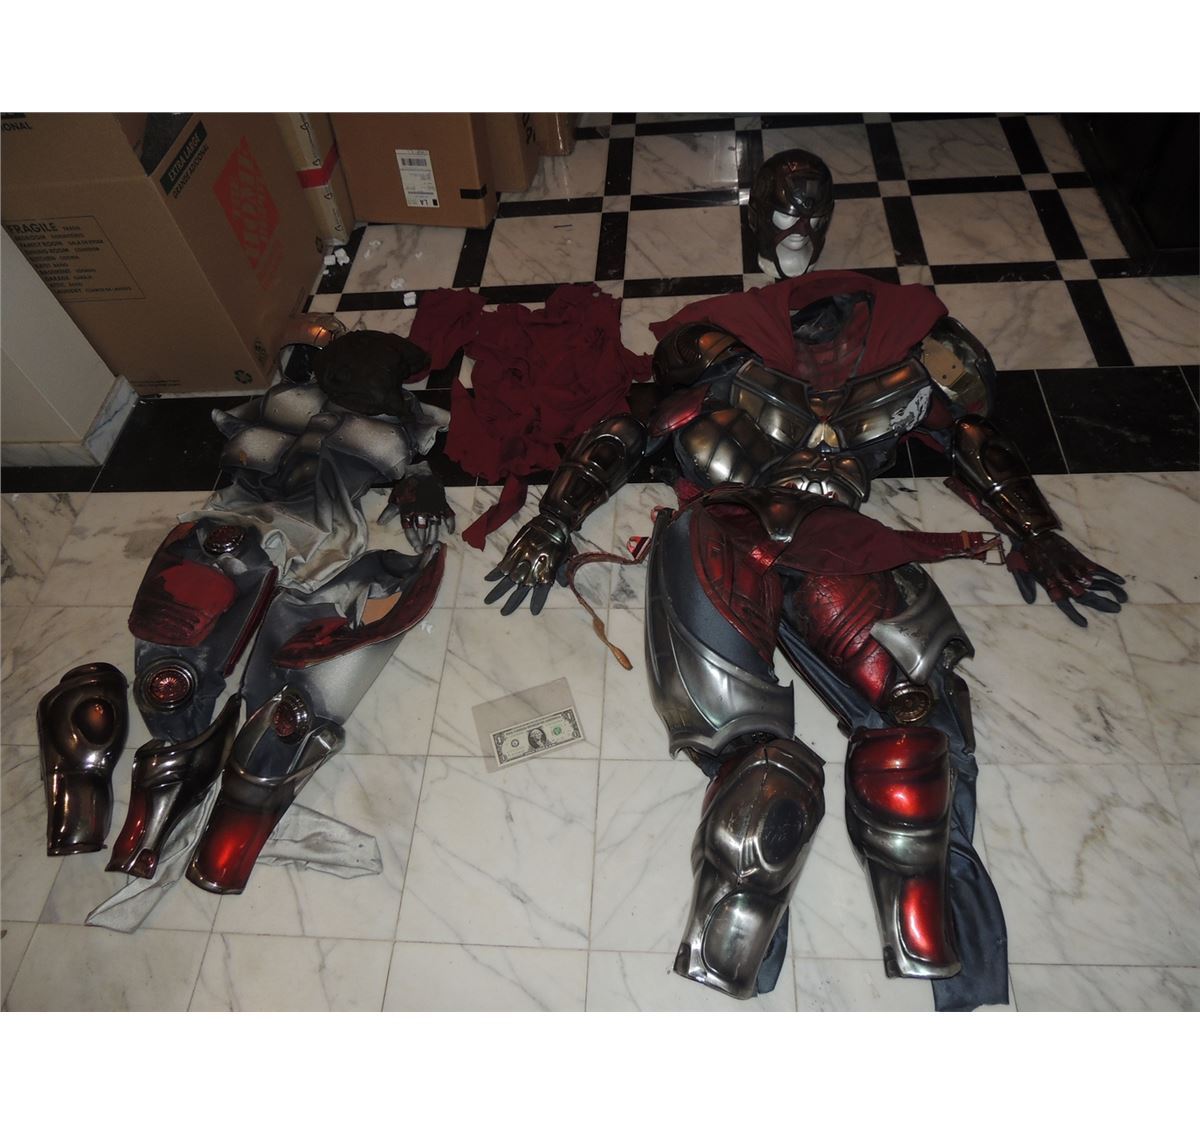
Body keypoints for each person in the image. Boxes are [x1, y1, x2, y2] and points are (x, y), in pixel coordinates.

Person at [484, 266, 1125, 1011]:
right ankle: (912, 952)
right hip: (743, 526)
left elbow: (974, 436)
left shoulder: (915, 361)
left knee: (891, 736)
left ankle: (765, 954)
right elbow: (629, 430)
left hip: (803, 538)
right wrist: (552, 521)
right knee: (834, 748)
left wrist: (1038, 531)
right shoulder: (719, 348)